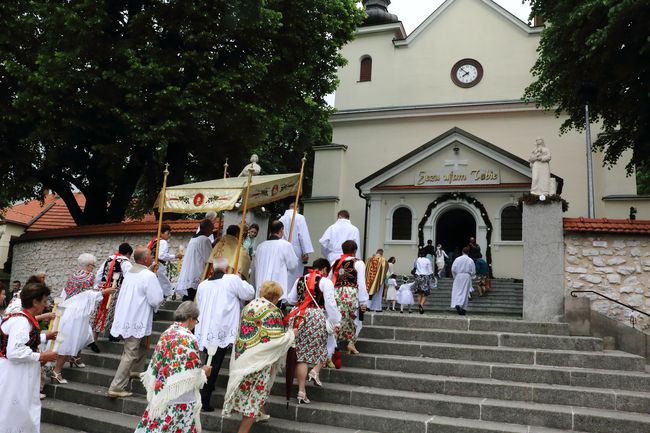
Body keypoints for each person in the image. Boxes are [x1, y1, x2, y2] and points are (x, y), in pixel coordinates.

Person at [223, 281, 296, 433]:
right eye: (278, 297)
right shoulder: (272, 311)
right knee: (254, 398)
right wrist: (291, 334)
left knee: (250, 392)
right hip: (259, 362)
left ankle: (261, 412)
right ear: (275, 297)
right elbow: (276, 339)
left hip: (243, 358)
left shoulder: (249, 306)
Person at [134, 301, 212, 433]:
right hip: (181, 398)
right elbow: (193, 373)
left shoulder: (167, 333)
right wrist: (204, 372)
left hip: (163, 392)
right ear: (191, 318)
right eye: (196, 320)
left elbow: (158, 362)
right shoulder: (188, 338)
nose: (195, 324)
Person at [195, 258, 255, 412]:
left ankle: (205, 390)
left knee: (207, 361)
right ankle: (204, 399)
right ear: (227, 267)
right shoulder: (232, 280)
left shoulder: (203, 284)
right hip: (221, 327)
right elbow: (249, 293)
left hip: (206, 327)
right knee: (214, 364)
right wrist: (240, 278)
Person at [0, 282, 58, 433]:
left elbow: (25, 339)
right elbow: (14, 351)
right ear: (35, 302)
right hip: (15, 373)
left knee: (21, 407)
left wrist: (44, 337)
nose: (46, 306)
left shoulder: (22, 318)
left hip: (17, 370)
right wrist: (42, 355)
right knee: (16, 409)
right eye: (44, 301)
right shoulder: (22, 321)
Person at [108, 247, 164, 398]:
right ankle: (116, 387)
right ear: (145, 259)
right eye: (151, 255)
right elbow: (155, 299)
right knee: (130, 352)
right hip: (136, 318)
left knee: (144, 344)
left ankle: (136, 370)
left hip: (126, 316)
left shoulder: (130, 272)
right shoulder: (148, 276)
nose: (153, 257)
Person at [52, 254, 116, 384]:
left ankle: (76, 357)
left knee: (84, 335)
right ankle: (56, 371)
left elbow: (66, 292)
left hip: (67, 309)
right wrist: (105, 292)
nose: (93, 267)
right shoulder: (89, 276)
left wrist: (58, 311)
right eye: (93, 265)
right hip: (77, 313)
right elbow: (87, 294)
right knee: (69, 340)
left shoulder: (73, 275)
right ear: (88, 265)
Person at [286, 258, 341, 403]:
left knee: (301, 355)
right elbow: (330, 303)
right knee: (326, 347)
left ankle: (301, 391)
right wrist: (336, 320)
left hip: (297, 315)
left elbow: (291, 299)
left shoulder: (299, 280)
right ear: (323, 269)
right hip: (315, 315)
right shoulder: (325, 282)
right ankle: (315, 370)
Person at [330, 240, 369, 355]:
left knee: (337, 319)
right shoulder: (358, 263)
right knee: (356, 320)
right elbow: (361, 282)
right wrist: (363, 301)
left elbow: (329, 280)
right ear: (355, 251)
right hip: (351, 294)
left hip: (336, 293)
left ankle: (333, 347)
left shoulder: (335, 262)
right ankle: (351, 343)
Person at [93, 243, 133, 342]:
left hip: (103, 289)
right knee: (116, 312)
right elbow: (129, 278)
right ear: (128, 253)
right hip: (115, 292)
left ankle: (94, 338)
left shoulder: (109, 259)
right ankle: (112, 334)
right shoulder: (126, 262)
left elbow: (99, 273)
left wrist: (97, 286)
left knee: (101, 312)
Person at [254, 220, 300, 302]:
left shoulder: (260, 246)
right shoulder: (285, 245)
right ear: (281, 229)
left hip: (262, 285)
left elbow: (256, 265)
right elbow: (293, 265)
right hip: (276, 287)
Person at [176, 219, 214, 301]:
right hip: (197, 274)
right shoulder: (204, 239)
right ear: (207, 228)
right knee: (193, 300)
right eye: (211, 229)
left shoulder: (193, 238)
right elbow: (209, 258)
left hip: (190, 273)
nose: (212, 232)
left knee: (188, 298)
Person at [279, 203, 314, 286]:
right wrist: (305, 252)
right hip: (296, 249)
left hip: (283, 248)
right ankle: (292, 295)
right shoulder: (300, 217)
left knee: (284, 272)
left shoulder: (281, 219)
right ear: (297, 208)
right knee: (295, 274)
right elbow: (302, 235)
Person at [148, 224, 183, 297]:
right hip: (158, 266)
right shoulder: (163, 242)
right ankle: (169, 297)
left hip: (151, 265)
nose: (169, 235)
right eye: (168, 233)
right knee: (164, 286)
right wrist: (175, 256)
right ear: (161, 233)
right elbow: (161, 256)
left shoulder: (154, 241)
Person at [451, 247, 476, 315]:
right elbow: (473, 271)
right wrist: (472, 276)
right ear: (468, 252)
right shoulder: (470, 260)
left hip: (458, 276)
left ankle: (459, 305)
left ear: (462, 252)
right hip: (466, 276)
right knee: (465, 292)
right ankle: (462, 307)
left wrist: (455, 276)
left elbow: (453, 269)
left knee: (457, 291)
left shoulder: (457, 259)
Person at [413, 249, 435, 314]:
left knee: (419, 293)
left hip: (418, 277)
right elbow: (430, 270)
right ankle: (421, 305)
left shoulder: (416, 260)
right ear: (426, 254)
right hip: (425, 277)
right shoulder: (428, 260)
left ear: (419, 254)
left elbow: (414, 267)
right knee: (425, 293)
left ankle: (419, 304)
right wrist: (432, 276)